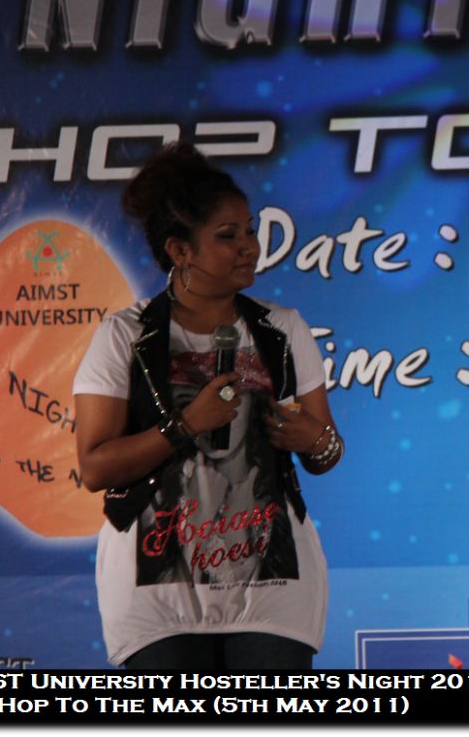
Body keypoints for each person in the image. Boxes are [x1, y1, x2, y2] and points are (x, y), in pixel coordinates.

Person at [73, 143, 342, 669]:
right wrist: (185, 425)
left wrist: (315, 440)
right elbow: (94, 468)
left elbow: (326, 451)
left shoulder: (282, 329)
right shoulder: (125, 336)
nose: (249, 247)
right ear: (180, 250)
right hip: (157, 591)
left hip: (272, 585)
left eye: (249, 231)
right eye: (227, 236)